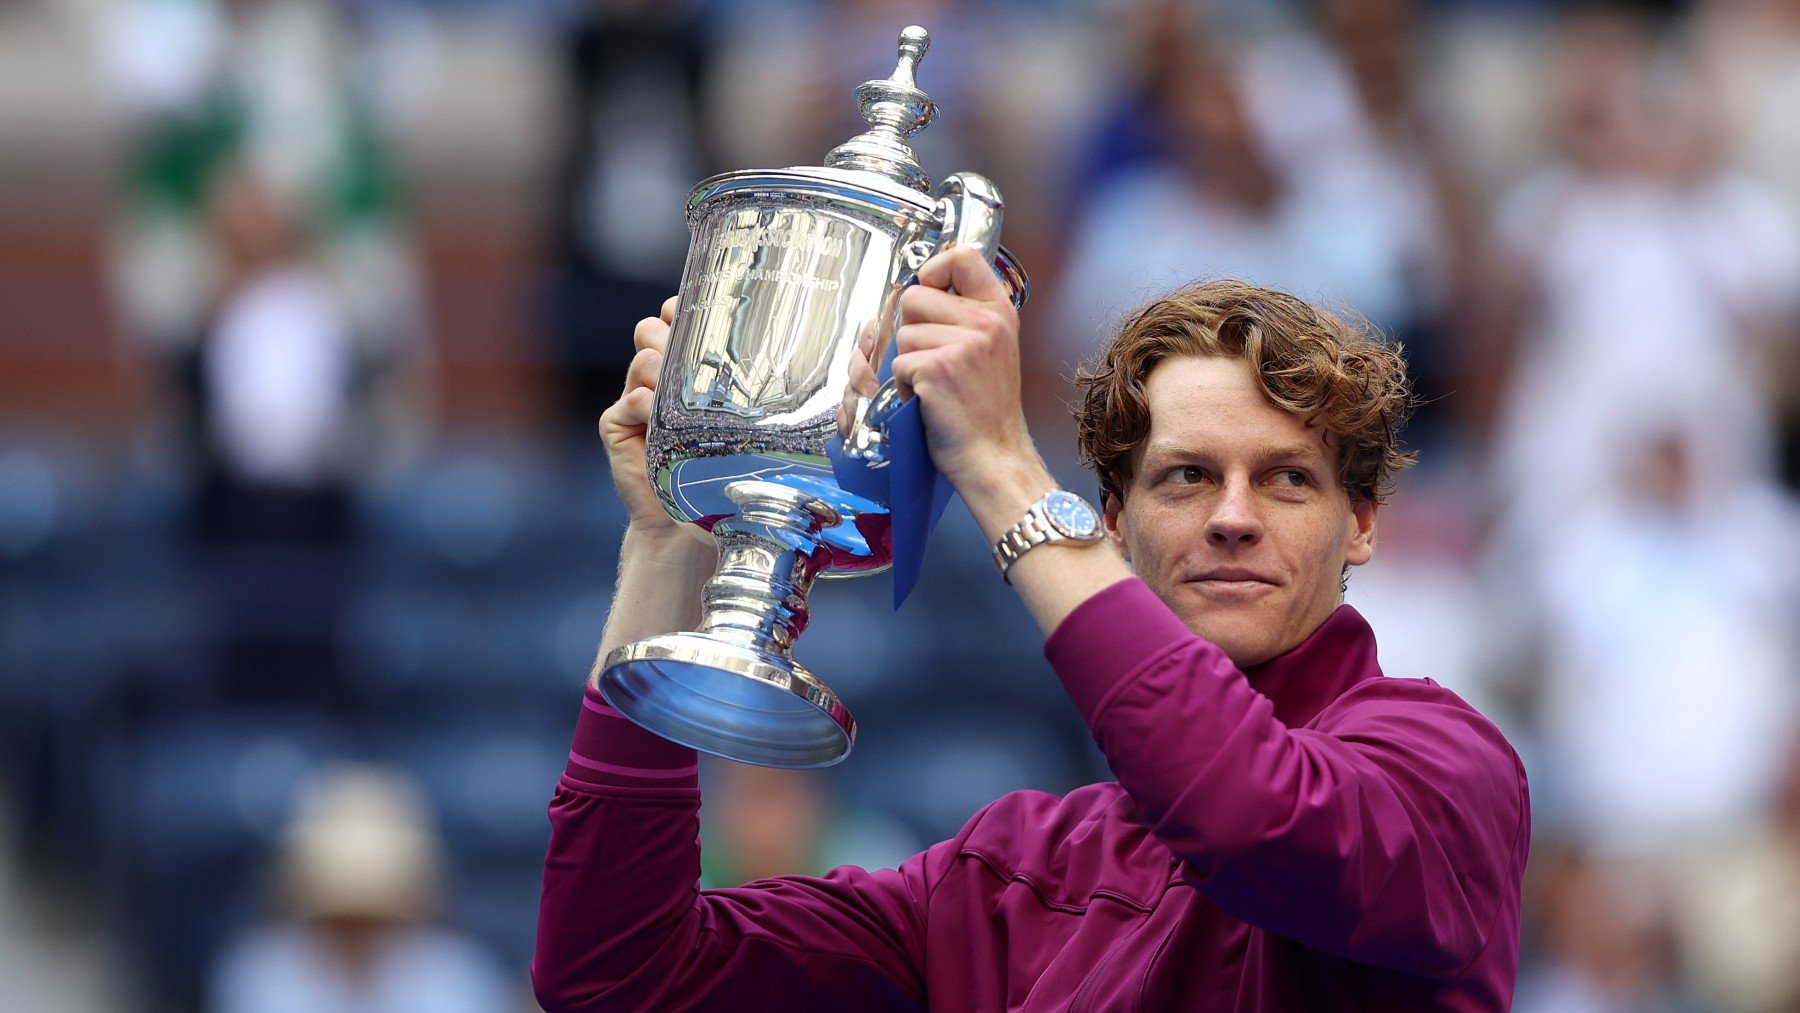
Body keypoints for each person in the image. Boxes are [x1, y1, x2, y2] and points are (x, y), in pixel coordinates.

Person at [533, 249, 1530, 1010]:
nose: (1234, 514)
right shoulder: (1013, 869)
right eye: (1185, 475)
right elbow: (617, 973)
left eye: (1287, 478)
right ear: (1112, 518)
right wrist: (669, 543)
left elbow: (1244, 809)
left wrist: (1005, 463)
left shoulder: (1442, 768)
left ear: (1359, 523)